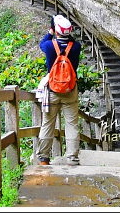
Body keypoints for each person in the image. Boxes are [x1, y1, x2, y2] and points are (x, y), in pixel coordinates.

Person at [37, 14, 82, 166]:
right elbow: (72, 42)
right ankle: (72, 158)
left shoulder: (49, 46)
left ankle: (43, 158)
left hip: (52, 90)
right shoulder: (76, 47)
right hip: (70, 90)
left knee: (48, 123)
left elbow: (42, 43)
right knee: (72, 124)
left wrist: (51, 31)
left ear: (56, 30)